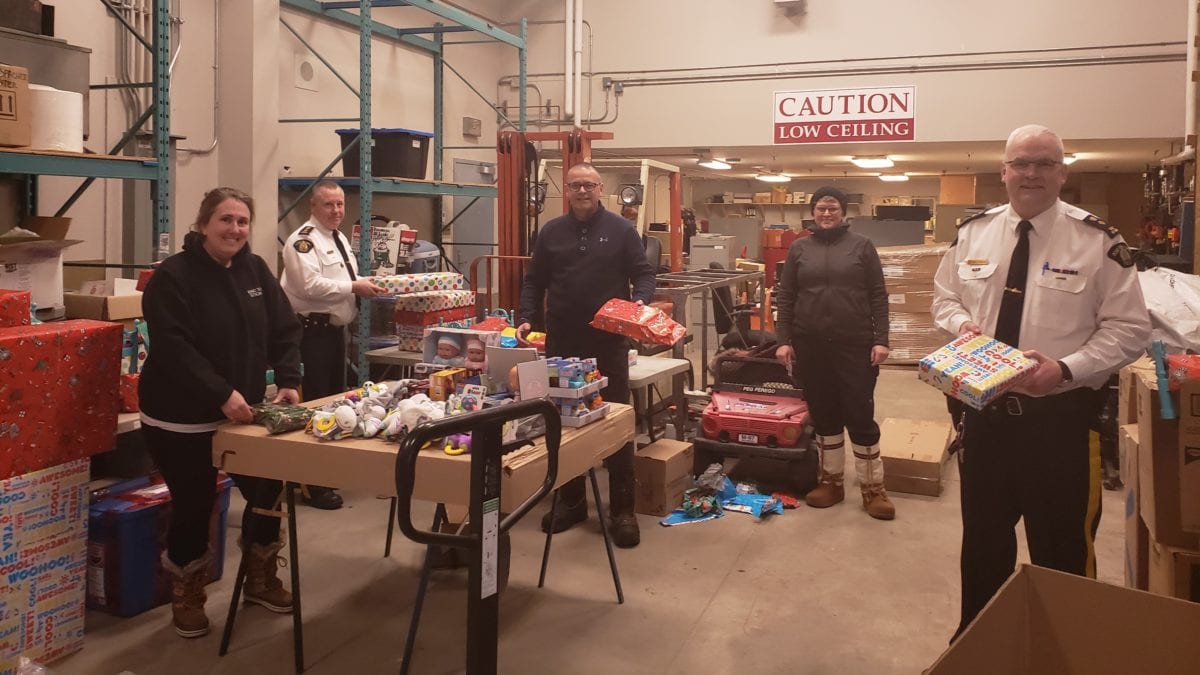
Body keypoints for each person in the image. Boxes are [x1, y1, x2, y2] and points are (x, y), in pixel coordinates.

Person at [931, 124, 1150, 640]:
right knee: (982, 547)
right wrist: (963, 325)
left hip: (1060, 425)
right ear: (1004, 171)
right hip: (984, 419)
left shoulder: (1097, 240)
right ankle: (976, 651)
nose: (1031, 173)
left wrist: (1066, 369)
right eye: (1021, 163)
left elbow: (1131, 328)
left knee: (1062, 554)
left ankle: (1059, 655)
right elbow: (945, 296)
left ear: (1062, 172)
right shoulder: (974, 232)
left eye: (1044, 163)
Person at [138, 187, 302, 638]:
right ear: (203, 224)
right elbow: (174, 348)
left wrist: (288, 379)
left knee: (267, 491)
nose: (235, 229)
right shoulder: (173, 277)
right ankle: (187, 593)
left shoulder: (254, 269)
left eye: (243, 221)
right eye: (225, 220)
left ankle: (260, 576)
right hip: (180, 416)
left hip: (242, 412)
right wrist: (220, 393)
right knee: (194, 505)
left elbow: (285, 327)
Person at [517, 162, 657, 548]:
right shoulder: (550, 232)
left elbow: (644, 274)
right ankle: (572, 501)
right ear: (567, 189)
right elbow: (535, 281)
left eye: (589, 185)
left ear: (600, 190)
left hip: (608, 341)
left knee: (615, 420)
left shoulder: (621, 230)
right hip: (562, 341)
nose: (582, 191)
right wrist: (527, 317)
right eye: (576, 185)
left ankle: (622, 509)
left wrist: (638, 305)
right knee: (565, 423)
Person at [774, 186, 895, 520]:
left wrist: (881, 339)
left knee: (858, 412)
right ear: (812, 212)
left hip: (854, 343)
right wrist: (783, 340)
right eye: (820, 208)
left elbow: (878, 295)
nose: (826, 213)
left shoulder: (861, 246)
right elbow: (786, 297)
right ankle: (831, 481)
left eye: (832, 208)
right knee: (824, 413)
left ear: (843, 212)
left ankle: (873, 488)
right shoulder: (800, 248)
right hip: (810, 345)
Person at [280, 180, 387, 510]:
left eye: (340, 204)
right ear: (313, 207)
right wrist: (355, 286)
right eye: (328, 205)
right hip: (311, 333)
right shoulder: (303, 242)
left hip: (334, 334)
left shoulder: (338, 237)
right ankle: (312, 483)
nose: (336, 211)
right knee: (315, 405)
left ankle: (326, 470)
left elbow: (340, 282)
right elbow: (309, 285)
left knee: (335, 402)